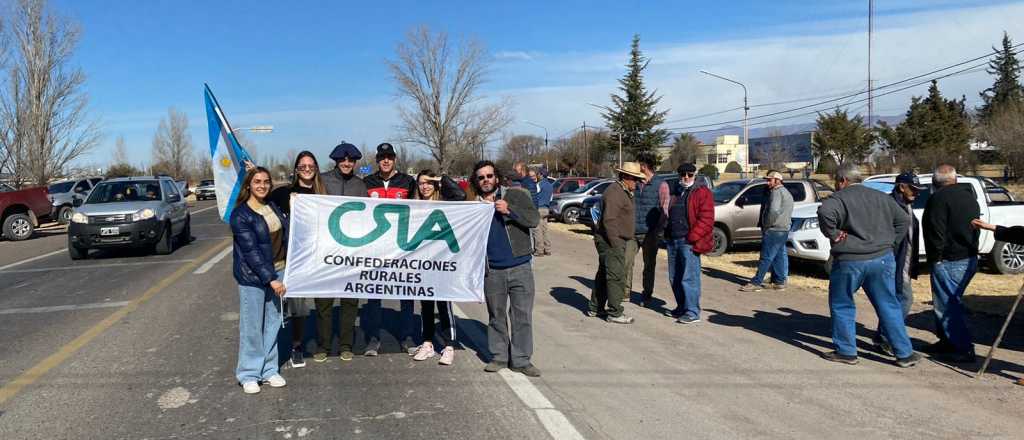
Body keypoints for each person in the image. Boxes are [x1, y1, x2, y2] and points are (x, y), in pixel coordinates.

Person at [816, 163, 920, 367]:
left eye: (837, 181)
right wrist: (891, 242)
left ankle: (846, 351)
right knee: (889, 305)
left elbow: (825, 213)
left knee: (842, 303)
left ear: (842, 181)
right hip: (882, 259)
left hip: (850, 261)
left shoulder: (838, 198)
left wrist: (835, 234)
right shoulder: (881, 197)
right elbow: (903, 220)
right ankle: (904, 353)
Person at [473, 160, 542, 377]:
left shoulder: (516, 195)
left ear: (497, 177)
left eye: (489, 176)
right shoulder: (472, 206)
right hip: (492, 270)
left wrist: (509, 210)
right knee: (496, 315)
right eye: (481, 177)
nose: (486, 180)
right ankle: (499, 356)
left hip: (520, 266)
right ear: (476, 182)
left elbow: (533, 219)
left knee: (522, 316)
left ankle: (521, 359)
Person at [230, 166, 288, 394]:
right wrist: (271, 279)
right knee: (252, 326)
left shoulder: (272, 206)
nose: (262, 185)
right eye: (257, 182)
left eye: (266, 182)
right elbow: (251, 252)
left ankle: (269, 370)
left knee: (273, 324)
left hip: (280, 271)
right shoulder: (240, 215)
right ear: (248, 186)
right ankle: (249, 373)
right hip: (253, 277)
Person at [267, 151, 325, 368]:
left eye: (311, 165)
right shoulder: (284, 193)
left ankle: (323, 342)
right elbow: (260, 200)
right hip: (294, 258)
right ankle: (296, 345)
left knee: (322, 302)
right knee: (297, 306)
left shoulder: (324, 195)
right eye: (303, 166)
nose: (307, 169)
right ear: (296, 169)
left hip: (320, 255)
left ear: (316, 168)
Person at [363, 142, 419, 354]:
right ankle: (373, 338)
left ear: (395, 159)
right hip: (375, 248)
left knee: (406, 291)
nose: (386, 160)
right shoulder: (367, 182)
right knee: (374, 292)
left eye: (390, 157)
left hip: (403, 248)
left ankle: (407, 336)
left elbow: (420, 209)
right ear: (377, 160)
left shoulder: (407, 181)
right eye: (382, 157)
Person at [922, 164, 979, 363]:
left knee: (948, 306)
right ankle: (947, 341)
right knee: (945, 303)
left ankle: (963, 348)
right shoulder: (969, 196)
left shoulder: (938, 199)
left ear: (935, 181)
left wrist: (936, 259)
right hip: (969, 257)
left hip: (949, 259)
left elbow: (936, 231)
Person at [410, 170, 466, 366]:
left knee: (444, 304)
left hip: (442, 262)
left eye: (428, 183)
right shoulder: (414, 206)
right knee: (425, 304)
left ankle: (449, 345)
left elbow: (460, 195)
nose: (425, 186)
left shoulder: (445, 203)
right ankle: (427, 343)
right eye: (421, 183)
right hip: (423, 263)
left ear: (435, 185)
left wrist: (441, 179)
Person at [319, 142, 366, 361]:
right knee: (324, 301)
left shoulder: (359, 185)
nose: (347, 163)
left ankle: (346, 344)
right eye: (343, 160)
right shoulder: (322, 180)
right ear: (336, 161)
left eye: (351, 160)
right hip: (325, 251)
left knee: (350, 300)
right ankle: (323, 345)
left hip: (352, 251)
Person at [873, 172, 924, 356]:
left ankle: (882, 337)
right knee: (904, 299)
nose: (916, 193)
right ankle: (888, 338)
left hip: (905, 263)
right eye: (913, 189)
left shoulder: (907, 205)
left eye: (918, 190)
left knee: (893, 300)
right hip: (892, 262)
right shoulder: (890, 205)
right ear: (901, 187)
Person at [588, 162, 644, 324]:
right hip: (611, 240)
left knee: (605, 274)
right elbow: (609, 220)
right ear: (626, 177)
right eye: (635, 179)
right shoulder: (615, 192)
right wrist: (615, 243)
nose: (637, 182)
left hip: (614, 239)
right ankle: (615, 312)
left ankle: (595, 307)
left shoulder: (623, 191)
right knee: (616, 275)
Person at [663, 163, 715, 324]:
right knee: (675, 277)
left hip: (688, 242)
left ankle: (692, 311)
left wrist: (692, 237)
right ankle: (681, 307)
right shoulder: (676, 191)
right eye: (682, 174)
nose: (685, 177)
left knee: (689, 277)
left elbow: (707, 219)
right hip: (673, 240)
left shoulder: (702, 192)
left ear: (695, 175)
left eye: (689, 174)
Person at [740, 170, 793, 292]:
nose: (767, 182)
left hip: (774, 229)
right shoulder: (786, 192)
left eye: (770, 180)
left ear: (778, 181)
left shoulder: (776, 193)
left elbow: (773, 211)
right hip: (783, 229)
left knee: (766, 257)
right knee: (778, 256)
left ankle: (756, 282)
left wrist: (766, 224)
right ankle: (779, 281)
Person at [628, 153, 670, 306]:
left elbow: (665, 211)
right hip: (632, 231)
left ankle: (647, 295)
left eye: (638, 164)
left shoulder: (661, 185)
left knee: (649, 266)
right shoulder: (634, 182)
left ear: (644, 166)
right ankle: (625, 293)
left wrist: (657, 231)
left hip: (650, 234)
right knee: (627, 263)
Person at [529, 169, 554, 257]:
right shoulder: (551, 186)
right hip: (546, 209)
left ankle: (539, 250)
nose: (537, 176)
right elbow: (551, 199)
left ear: (541, 175)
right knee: (545, 230)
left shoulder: (539, 184)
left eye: (538, 174)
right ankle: (547, 249)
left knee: (536, 230)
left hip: (538, 208)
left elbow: (534, 195)